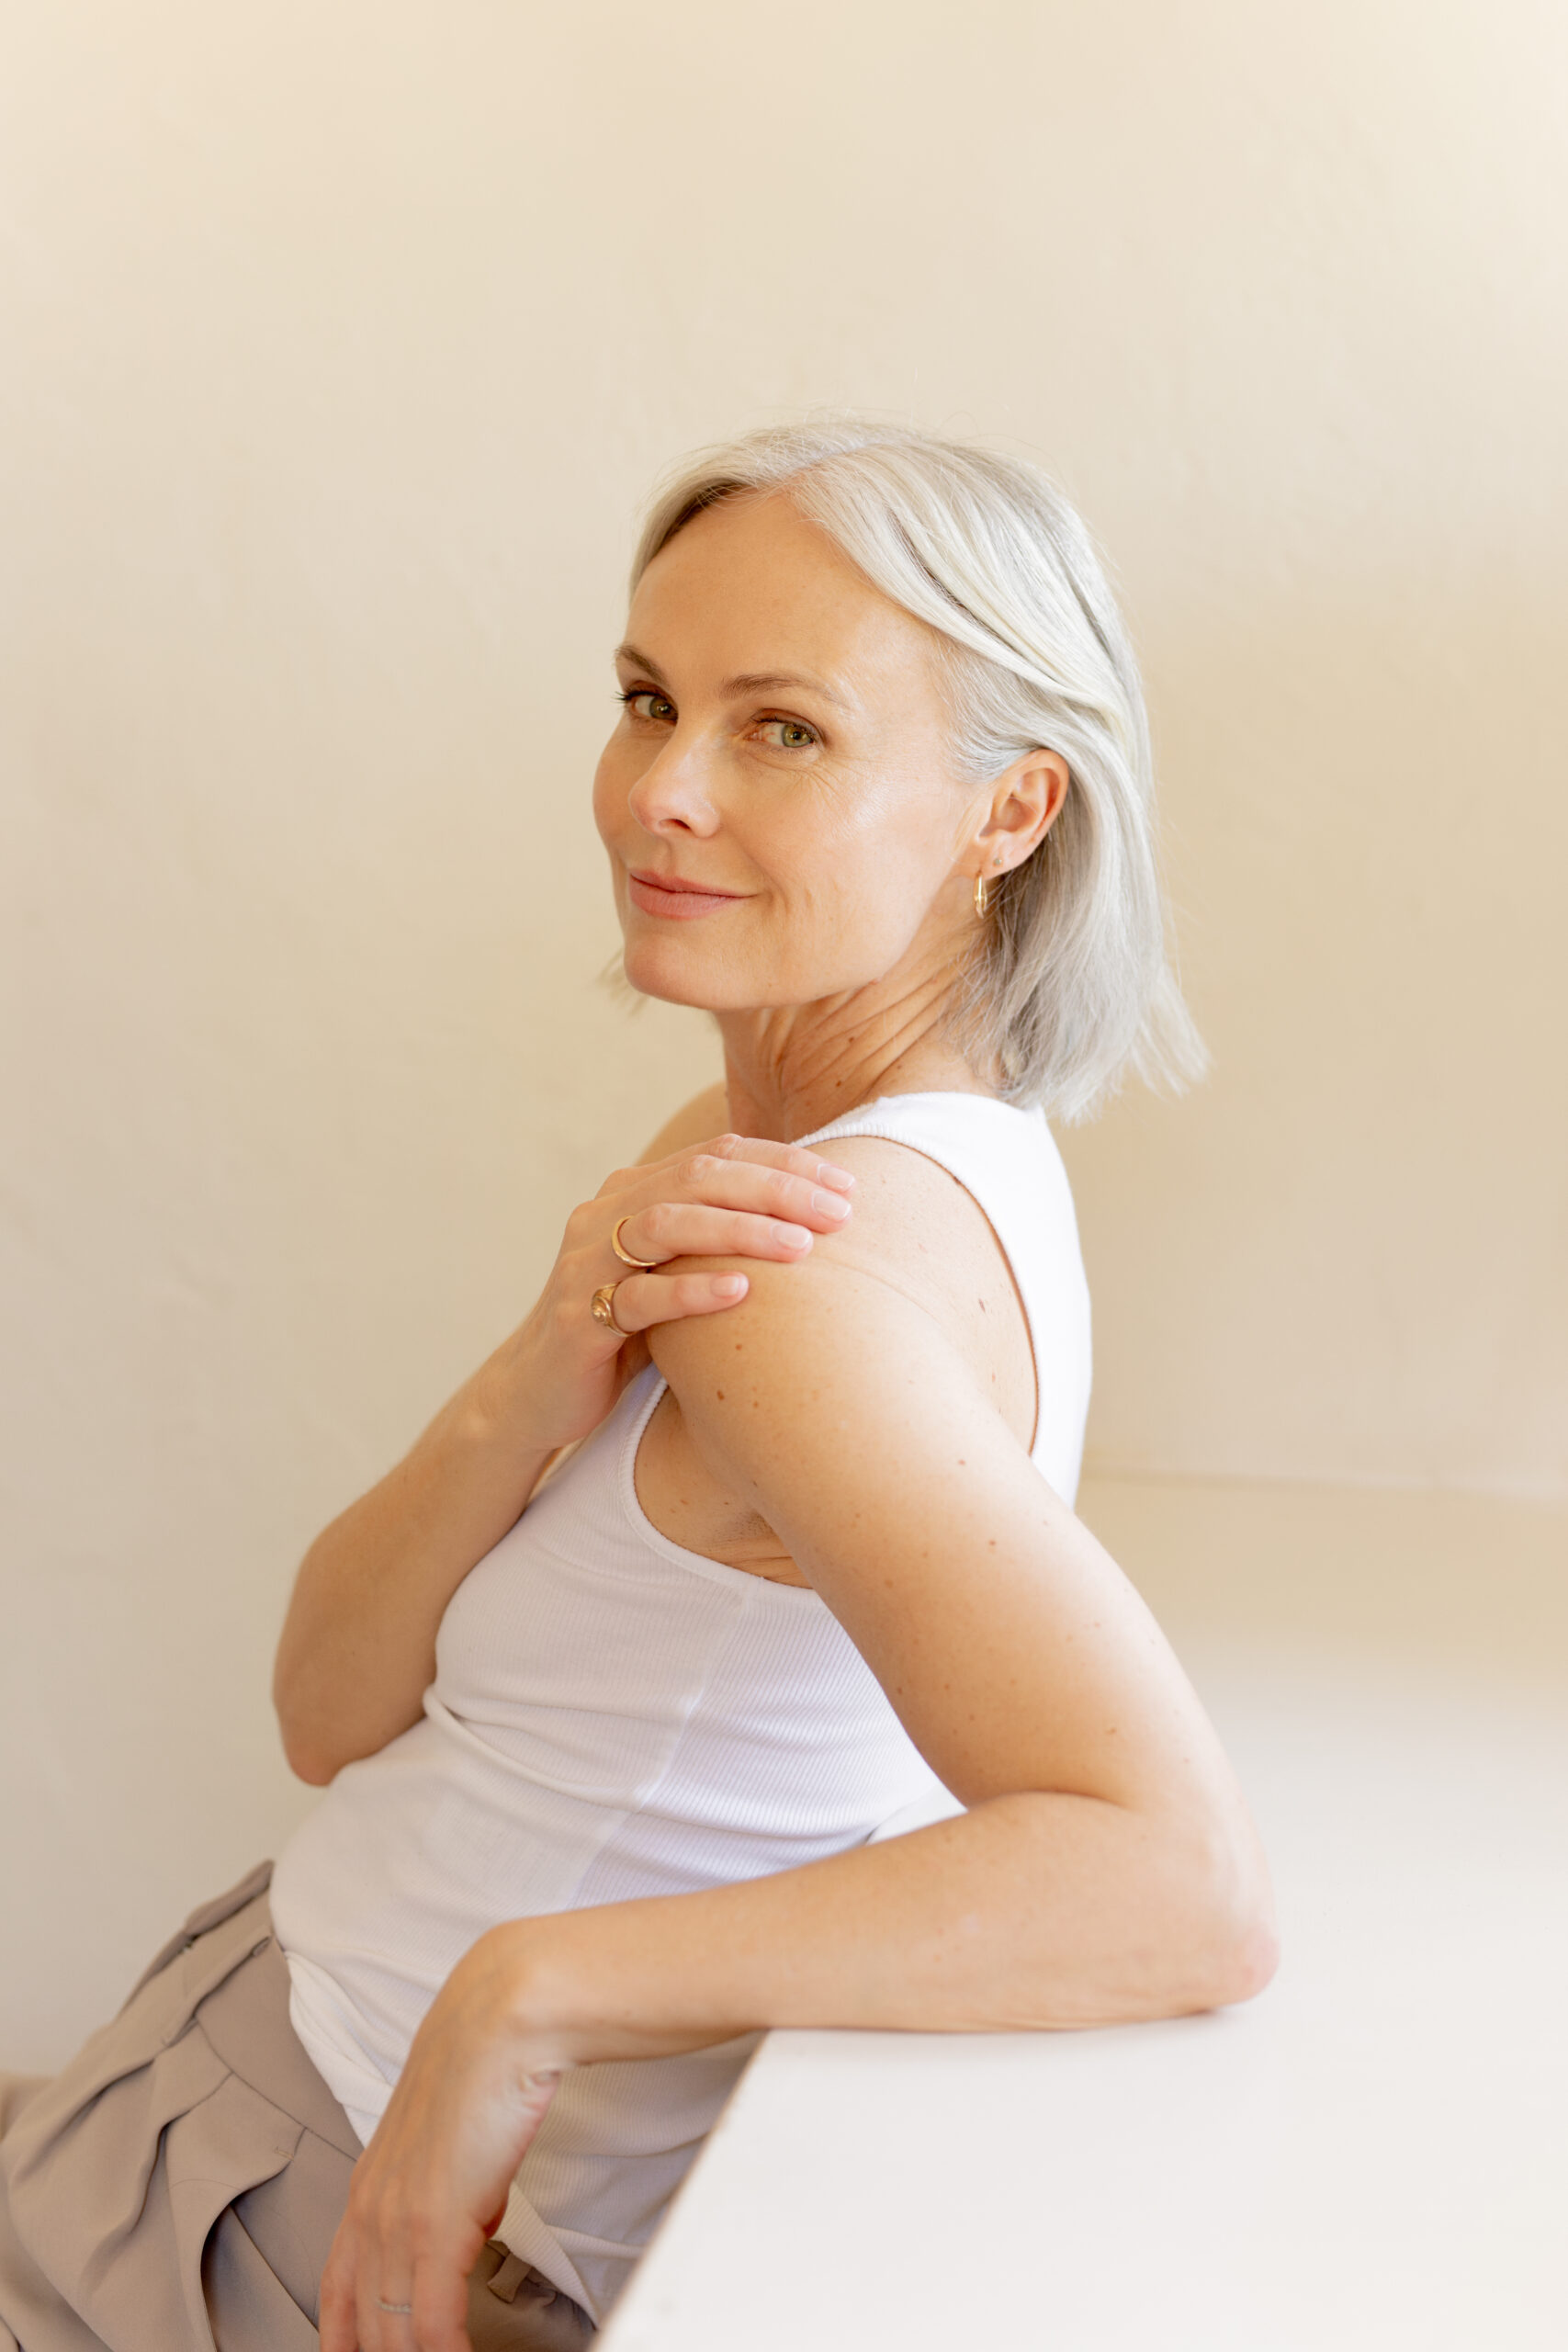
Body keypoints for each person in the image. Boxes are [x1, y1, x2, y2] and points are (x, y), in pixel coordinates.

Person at [0, 418, 1278, 2352]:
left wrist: (533, 1987)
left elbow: (1179, 1880)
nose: (661, 793)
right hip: (249, 2062)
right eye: (648, 700)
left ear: (1008, 812)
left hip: (297, 2187)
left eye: (785, 730)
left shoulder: (799, 1278)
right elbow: (327, 1706)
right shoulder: (808, 1159)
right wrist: (532, 1370)